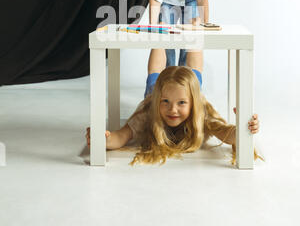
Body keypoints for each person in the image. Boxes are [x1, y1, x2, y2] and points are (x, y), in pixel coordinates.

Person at [85, 66, 261, 166]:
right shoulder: (149, 111)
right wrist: (104, 139)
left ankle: (193, 31)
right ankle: (159, 37)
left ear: (193, 104)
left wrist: (243, 129)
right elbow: (121, 136)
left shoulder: (200, 113)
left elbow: (226, 134)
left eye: (182, 103)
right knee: (155, 76)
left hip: (187, 90)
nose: (173, 110)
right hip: (155, 90)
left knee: (194, 72)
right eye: (165, 102)